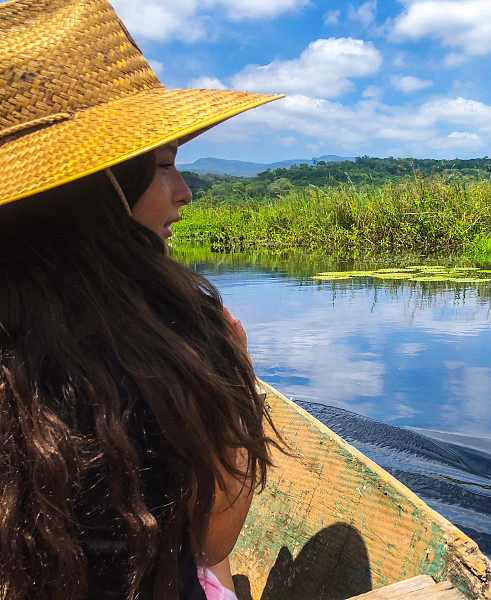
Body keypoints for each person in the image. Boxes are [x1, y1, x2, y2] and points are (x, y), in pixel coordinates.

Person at [0, 0, 284, 598]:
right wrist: (236, 377)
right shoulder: (180, 336)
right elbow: (211, 545)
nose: (183, 193)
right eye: (163, 166)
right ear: (99, 187)